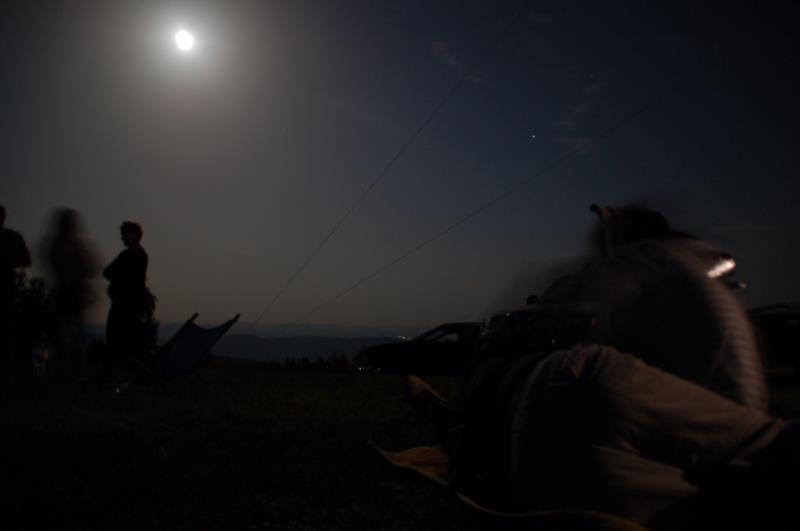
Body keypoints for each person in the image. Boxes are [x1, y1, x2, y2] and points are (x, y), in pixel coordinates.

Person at [46, 208, 97, 365]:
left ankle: (71, 363)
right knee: (68, 332)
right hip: (68, 292)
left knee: (72, 332)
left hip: (71, 293)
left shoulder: (71, 244)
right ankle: (68, 363)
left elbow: (90, 266)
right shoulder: (66, 244)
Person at [101, 221, 150, 381]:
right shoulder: (130, 255)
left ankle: (121, 376)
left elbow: (112, 273)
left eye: (125, 234)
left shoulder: (136, 255)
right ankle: (114, 375)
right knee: (116, 342)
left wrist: (119, 281)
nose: (122, 238)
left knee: (122, 342)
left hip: (128, 306)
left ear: (135, 235)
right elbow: (107, 272)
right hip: (123, 305)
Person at [0, 206, 32, 364]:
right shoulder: (13, 237)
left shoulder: (12, 237)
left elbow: (26, 260)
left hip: (6, 286)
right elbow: (26, 260)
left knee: (7, 326)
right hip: (7, 285)